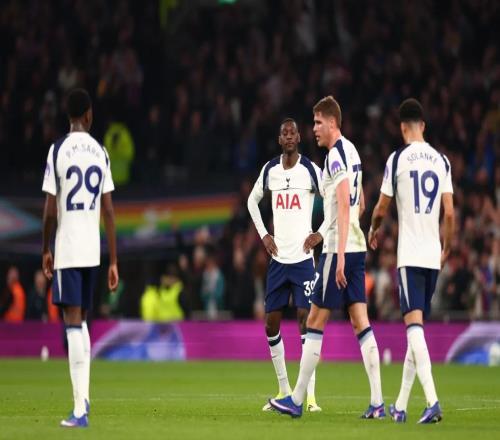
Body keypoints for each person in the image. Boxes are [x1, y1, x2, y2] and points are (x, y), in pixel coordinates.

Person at [270, 97, 384, 418]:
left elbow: (345, 203)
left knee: (314, 321)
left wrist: (340, 254)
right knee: (360, 322)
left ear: (332, 123)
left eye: (318, 122)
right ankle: (377, 403)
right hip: (357, 247)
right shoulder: (353, 151)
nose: (314, 129)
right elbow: (360, 202)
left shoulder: (334, 156)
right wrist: (358, 232)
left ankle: (296, 400)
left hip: (338, 250)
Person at [368, 98, 454, 424]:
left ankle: (432, 401)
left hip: (410, 255)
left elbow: (381, 208)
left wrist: (374, 229)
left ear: (402, 127)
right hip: (433, 255)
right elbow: (450, 213)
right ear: (424, 126)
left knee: (413, 328)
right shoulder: (442, 160)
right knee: (414, 330)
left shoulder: (397, 159)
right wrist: (446, 247)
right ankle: (401, 406)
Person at [42, 88, 119, 428]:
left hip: (69, 247)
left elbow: (49, 211)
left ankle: (78, 410)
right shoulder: (101, 152)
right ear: (89, 115)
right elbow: (109, 211)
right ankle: (84, 398)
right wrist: (113, 260)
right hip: (93, 250)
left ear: (68, 115)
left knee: (72, 321)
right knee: (82, 320)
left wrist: (46, 248)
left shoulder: (58, 150)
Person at [247, 118, 325, 412]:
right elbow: (252, 202)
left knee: (307, 323)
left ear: (299, 137)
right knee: (271, 324)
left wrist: (320, 233)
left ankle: (310, 397)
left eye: (293, 132)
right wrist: (264, 235)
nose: (289, 136)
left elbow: (333, 202)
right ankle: (283, 389)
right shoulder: (270, 170)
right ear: (280, 139)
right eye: (284, 133)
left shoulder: (311, 170)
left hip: (303, 261)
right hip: (279, 261)